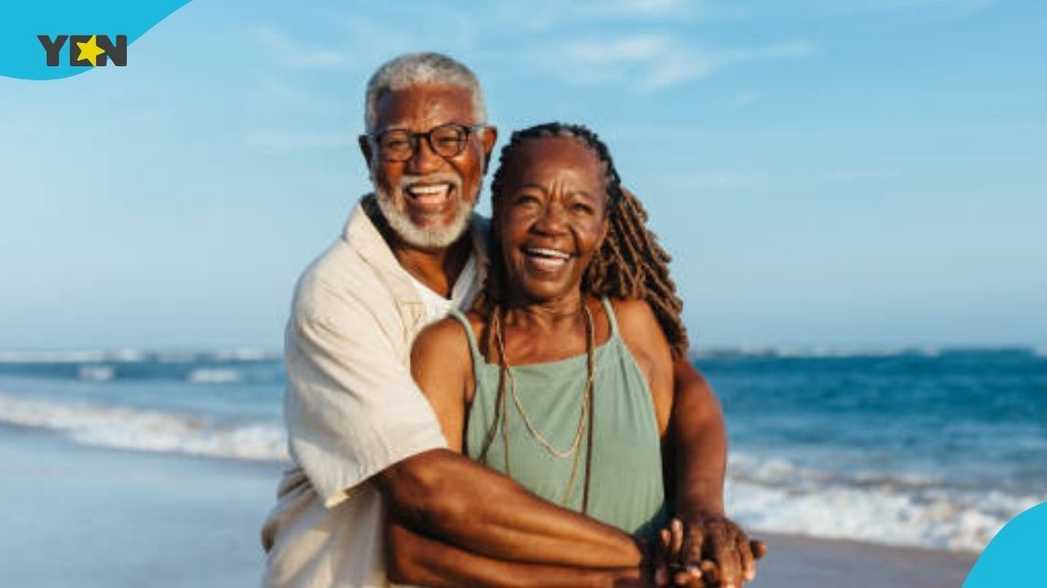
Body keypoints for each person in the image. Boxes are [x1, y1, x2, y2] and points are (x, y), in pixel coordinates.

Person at [260, 52, 761, 587]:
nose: (425, 164)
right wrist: (653, 562)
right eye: (399, 142)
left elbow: (679, 383)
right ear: (369, 153)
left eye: (449, 137)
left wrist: (703, 507)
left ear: (484, 146)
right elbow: (426, 486)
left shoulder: (511, 253)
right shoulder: (337, 295)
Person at [396, 122, 761, 587]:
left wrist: (704, 514)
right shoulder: (453, 353)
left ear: (604, 229)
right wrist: (627, 574)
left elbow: (694, 404)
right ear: (498, 209)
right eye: (529, 201)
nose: (552, 225)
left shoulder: (632, 326)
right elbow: (412, 555)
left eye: (579, 207)